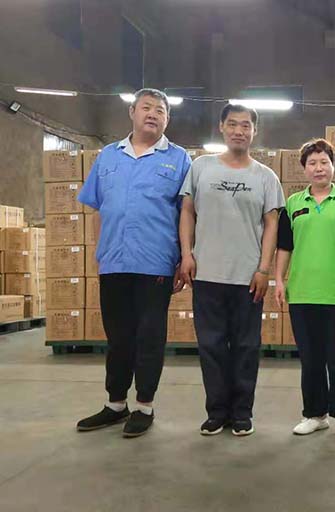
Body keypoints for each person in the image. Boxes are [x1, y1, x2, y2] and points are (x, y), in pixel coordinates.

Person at [76, 88, 190, 438]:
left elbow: (187, 213)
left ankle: (144, 406)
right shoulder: (109, 156)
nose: (152, 114)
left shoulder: (179, 159)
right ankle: (115, 404)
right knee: (118, 337)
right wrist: (99, 253)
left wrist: (184, 257)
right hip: (113, 261)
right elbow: (98, 209)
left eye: (160, 110)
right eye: (146, 107)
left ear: (168, 118)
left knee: (149, 337)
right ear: (132, 112)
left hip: (155, 263)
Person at [179, 103, 284, 437]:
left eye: (246, 125)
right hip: (207, 273)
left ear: (255, 131)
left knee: (246, 347)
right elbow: (187, 212)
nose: (240, 131)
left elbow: (272, 224)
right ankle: (216, 412)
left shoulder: (265, 177)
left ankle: (241, 413)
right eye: (233, 124)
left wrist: (264, 269)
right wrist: (186, 254)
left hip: (247, 277)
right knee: (210, 346)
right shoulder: (201, 167)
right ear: (222, 127)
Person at [274, 139, 335, 445]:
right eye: (312, 163)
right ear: (304, 169)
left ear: (333, 166)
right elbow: (284, 246)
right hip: (302, 293)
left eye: (324, 162)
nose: (319, 168)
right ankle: (315, 415)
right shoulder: (293, 203)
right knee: (311, 359)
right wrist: (279, 280)